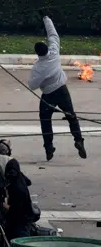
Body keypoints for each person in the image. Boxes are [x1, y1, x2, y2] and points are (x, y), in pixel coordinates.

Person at [27, 11, 87, 160]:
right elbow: (53, 35)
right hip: (62, 90)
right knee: (71, 116)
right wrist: (46, 18)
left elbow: (32, 85)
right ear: (47, 49)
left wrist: (40, 77)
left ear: (38, 54)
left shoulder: (38, 67)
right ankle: (78, 140)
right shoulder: (54, 52)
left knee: (45, 120)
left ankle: (49, 147)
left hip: (48, 95)